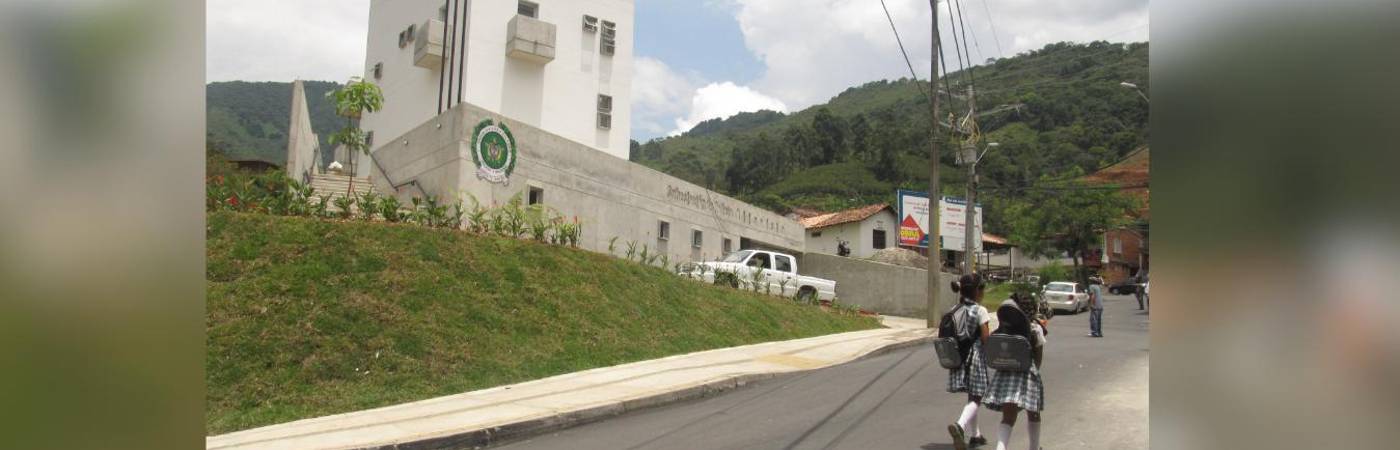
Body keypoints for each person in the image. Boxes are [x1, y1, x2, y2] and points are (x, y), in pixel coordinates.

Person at [985, 295, 1048, 450]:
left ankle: (1001, 447)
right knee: (1033, 413)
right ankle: (1034, 447)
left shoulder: (1003, 329)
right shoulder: (1035, 329)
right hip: (1027, 374)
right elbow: (1038, 358)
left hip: (1005, 374)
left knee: (1008, 417)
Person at [946, 273, 993, 450]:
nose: (984, 292)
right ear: (977, 291)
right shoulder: (980, 310)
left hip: (959, 356)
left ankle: (976, 435)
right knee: (978, 395)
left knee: (972, 395)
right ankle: (960, 425)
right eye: (982, 288)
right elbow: (986, 337)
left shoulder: (955, 309)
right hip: (975, 356)